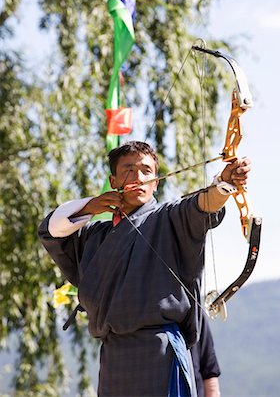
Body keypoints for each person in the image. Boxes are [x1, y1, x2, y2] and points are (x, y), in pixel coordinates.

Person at [38, 141, 250, 397]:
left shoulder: (170, 217)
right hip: (114, 355)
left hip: (159, 350)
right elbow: (50, 231)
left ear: (156, 181)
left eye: (147, 171)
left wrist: (224, 185)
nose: (138, 177)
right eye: (128, 170)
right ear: (113, 180)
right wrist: (90, 207)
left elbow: (202, 205)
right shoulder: (94, 236)